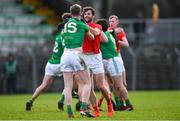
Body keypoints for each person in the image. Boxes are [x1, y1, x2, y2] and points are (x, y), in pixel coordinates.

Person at [60, 4, 97, 118]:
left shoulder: (66, 24)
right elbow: (93, 36)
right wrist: (86, 27)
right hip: (76, 54)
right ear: (81, 13)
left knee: (67, 86)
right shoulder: (82, 24)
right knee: (87, 82)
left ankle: (70, 111)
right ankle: (84, 108)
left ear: (71, 13)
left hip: (65, 55)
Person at [82, 6, 114, 117]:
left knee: (100, 85)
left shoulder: (97, 26)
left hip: (95, 57)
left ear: (93, 16)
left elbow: (96, 33)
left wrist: (84, 26)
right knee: (88, 86)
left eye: (89, 14)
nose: (86, 16)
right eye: (85, 14)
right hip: (84, 57)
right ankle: (95, 109)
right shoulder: (80, 26)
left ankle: (109, 103)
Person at [97, 18, 133, 111]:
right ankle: (119, 105)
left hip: (113, 60)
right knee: (114, 85)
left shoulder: (105, 34)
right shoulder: (109, 33)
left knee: (119, 85)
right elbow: (114, 31)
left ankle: (128, 104)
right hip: (109, 61)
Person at [107, 15, 133, 111]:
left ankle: (125, 103)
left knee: (123, 84)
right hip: (110, 58)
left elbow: (126, 44)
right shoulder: (108, 30)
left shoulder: (120, 31)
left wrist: (117, 40)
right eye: (110, 21)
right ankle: (119, 104)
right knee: (113, 84)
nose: (111, 23)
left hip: (118, 57)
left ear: (117, 22)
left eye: (113, 21)